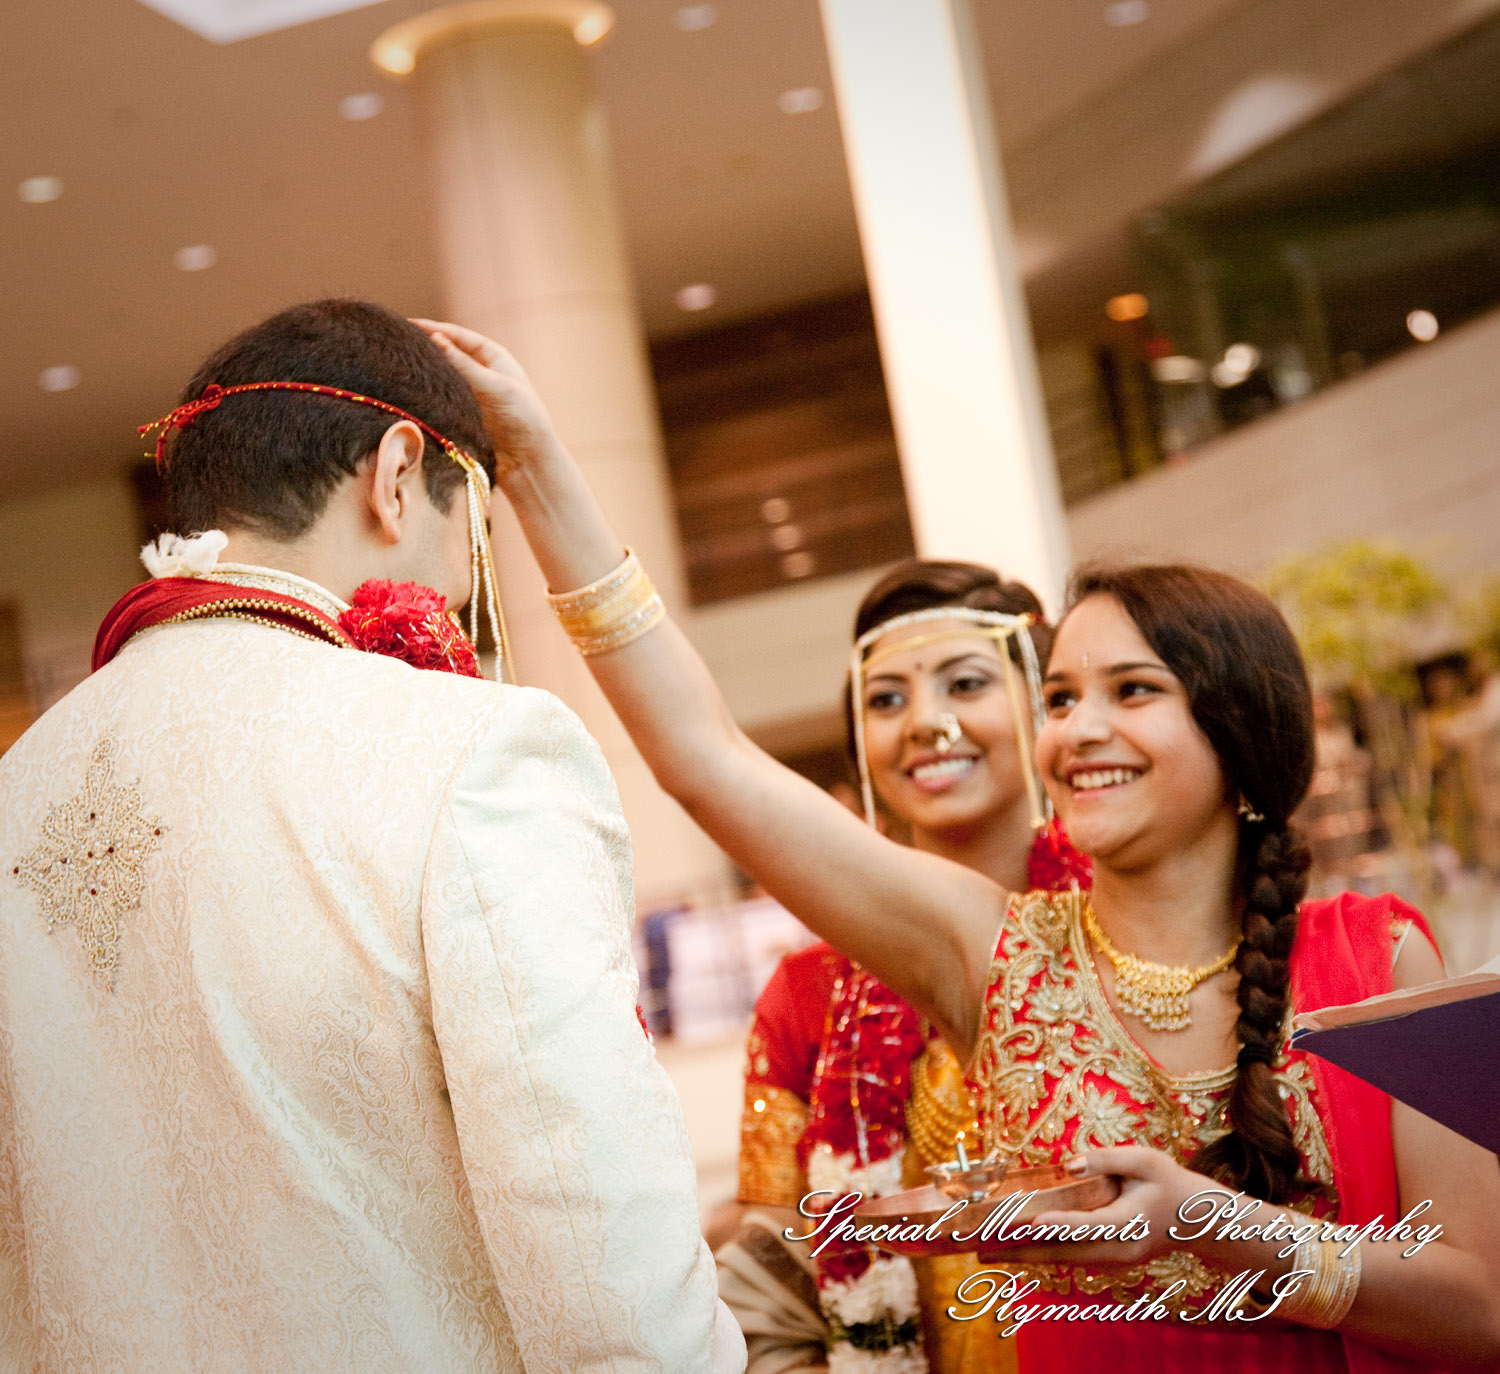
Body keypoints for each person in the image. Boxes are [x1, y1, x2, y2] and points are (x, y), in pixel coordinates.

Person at [425, 318, 1500, 1373]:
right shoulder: (997, 955)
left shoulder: (1379, 962)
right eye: (1066, 698)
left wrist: (1227, 1232)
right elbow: (706, 760)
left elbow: (1482, 1308)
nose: (1079, 731)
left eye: (1133, 693)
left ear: (1239, 734)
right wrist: (534, 464)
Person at [0, 301, 744, 1373]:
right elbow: (607, 1268)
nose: (453, 592)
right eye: (469, 536)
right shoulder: (468, 754)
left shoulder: (19, 787)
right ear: (397, 476)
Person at [723, 560, 1089, 1372]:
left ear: (1044, 706)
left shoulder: (1124, 937)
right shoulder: (807, 994)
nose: (925, 723)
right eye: (886, 700)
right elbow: (776, 1282)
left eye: (965, 685)